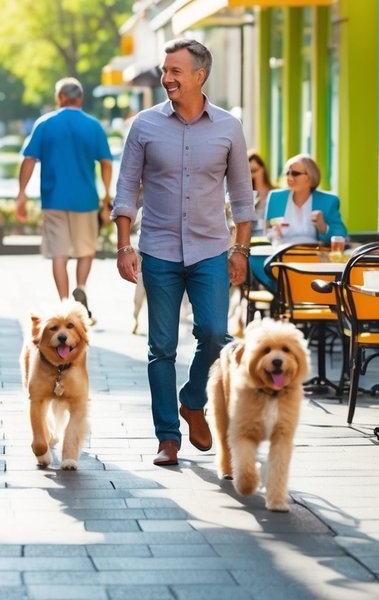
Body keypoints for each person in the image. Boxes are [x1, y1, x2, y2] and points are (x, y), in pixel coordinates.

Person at [112, 38, 255, 467]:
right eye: (164, 70)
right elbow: (126, 188)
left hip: (212, 248)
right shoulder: (144, 125)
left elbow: (243, 194)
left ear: (199, 75)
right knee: (161, 347)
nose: (166, 78)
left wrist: (241, 249)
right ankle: (167, 437)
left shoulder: (228, 126)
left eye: (175, 71)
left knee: (214, 333)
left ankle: (193, 401)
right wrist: (123, 245)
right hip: (158, 249)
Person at [15, 77, 113, 313]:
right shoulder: (93, 126)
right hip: (86, 199)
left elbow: (28, 160)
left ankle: (64, 304)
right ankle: (80, 287)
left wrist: (21, 194)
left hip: (54, 200)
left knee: (59, 254)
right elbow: (106, 163)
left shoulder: (45, 123)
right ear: (80, 98)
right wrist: (107, 196)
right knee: (86, 250)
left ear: (59, 98)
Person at [252, 154, 348, 289]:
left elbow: (341, 234)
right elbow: (268, 231)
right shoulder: (275, 198)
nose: (290, 178)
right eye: (287, 173)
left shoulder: (328, 201)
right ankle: (283, 296)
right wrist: (274, 233)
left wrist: (323, 226)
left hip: (315, 262)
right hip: (282, 259)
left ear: (310, 177)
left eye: (295, 174)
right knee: (256, 261)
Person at [248, 151, 273, 235]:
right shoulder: (246, 196)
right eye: (248, 172)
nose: (252, 175)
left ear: (263, 169)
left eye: (254, 170)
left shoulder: (275, 193)